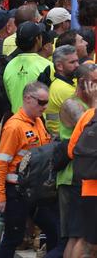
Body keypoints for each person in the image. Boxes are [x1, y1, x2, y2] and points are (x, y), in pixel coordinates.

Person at [0, 82, 59, 258]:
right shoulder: (14, 127)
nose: (44, 107)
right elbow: (0, 164)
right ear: (28, 99)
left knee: (55, 230)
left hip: (35, 192)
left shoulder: (38, 122)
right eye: (41, 102)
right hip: (17, 192)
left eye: (46, 103)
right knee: (13, 237)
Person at [57, 63, 97, 258]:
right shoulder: (74, 105)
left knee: (79, 236)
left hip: (82, 179)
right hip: (74, 179)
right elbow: (75, 148)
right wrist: (94, 104)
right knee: (79, 237)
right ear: (83, 84)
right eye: (95, 82)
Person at [3, 21, 54, 112]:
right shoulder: (48, 66)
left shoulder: (9, 66)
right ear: (38, 39)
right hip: (38, 123)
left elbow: (10, 96)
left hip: (16, 121)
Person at [45, 45, 79, 137]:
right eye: (72, 62)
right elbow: (85, 119)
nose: (77, 65)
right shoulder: (62, 88)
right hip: (64, 139)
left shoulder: (70, 81)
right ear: (59, 66)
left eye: (77, 61)